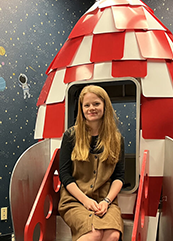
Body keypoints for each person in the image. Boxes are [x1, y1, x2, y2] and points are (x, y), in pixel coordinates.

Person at [59, 85, 125, 241]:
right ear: (81, 109)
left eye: (96, 104)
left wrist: (107, 201)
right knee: (93, 234)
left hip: (104, 199)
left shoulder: (116, 139)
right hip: (75, 198)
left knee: (113, 235)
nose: (91, 108)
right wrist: (85, 200)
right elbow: (65, 175)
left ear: (105, 106)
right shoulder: (71, 135)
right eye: (86, 105)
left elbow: (119, 176)